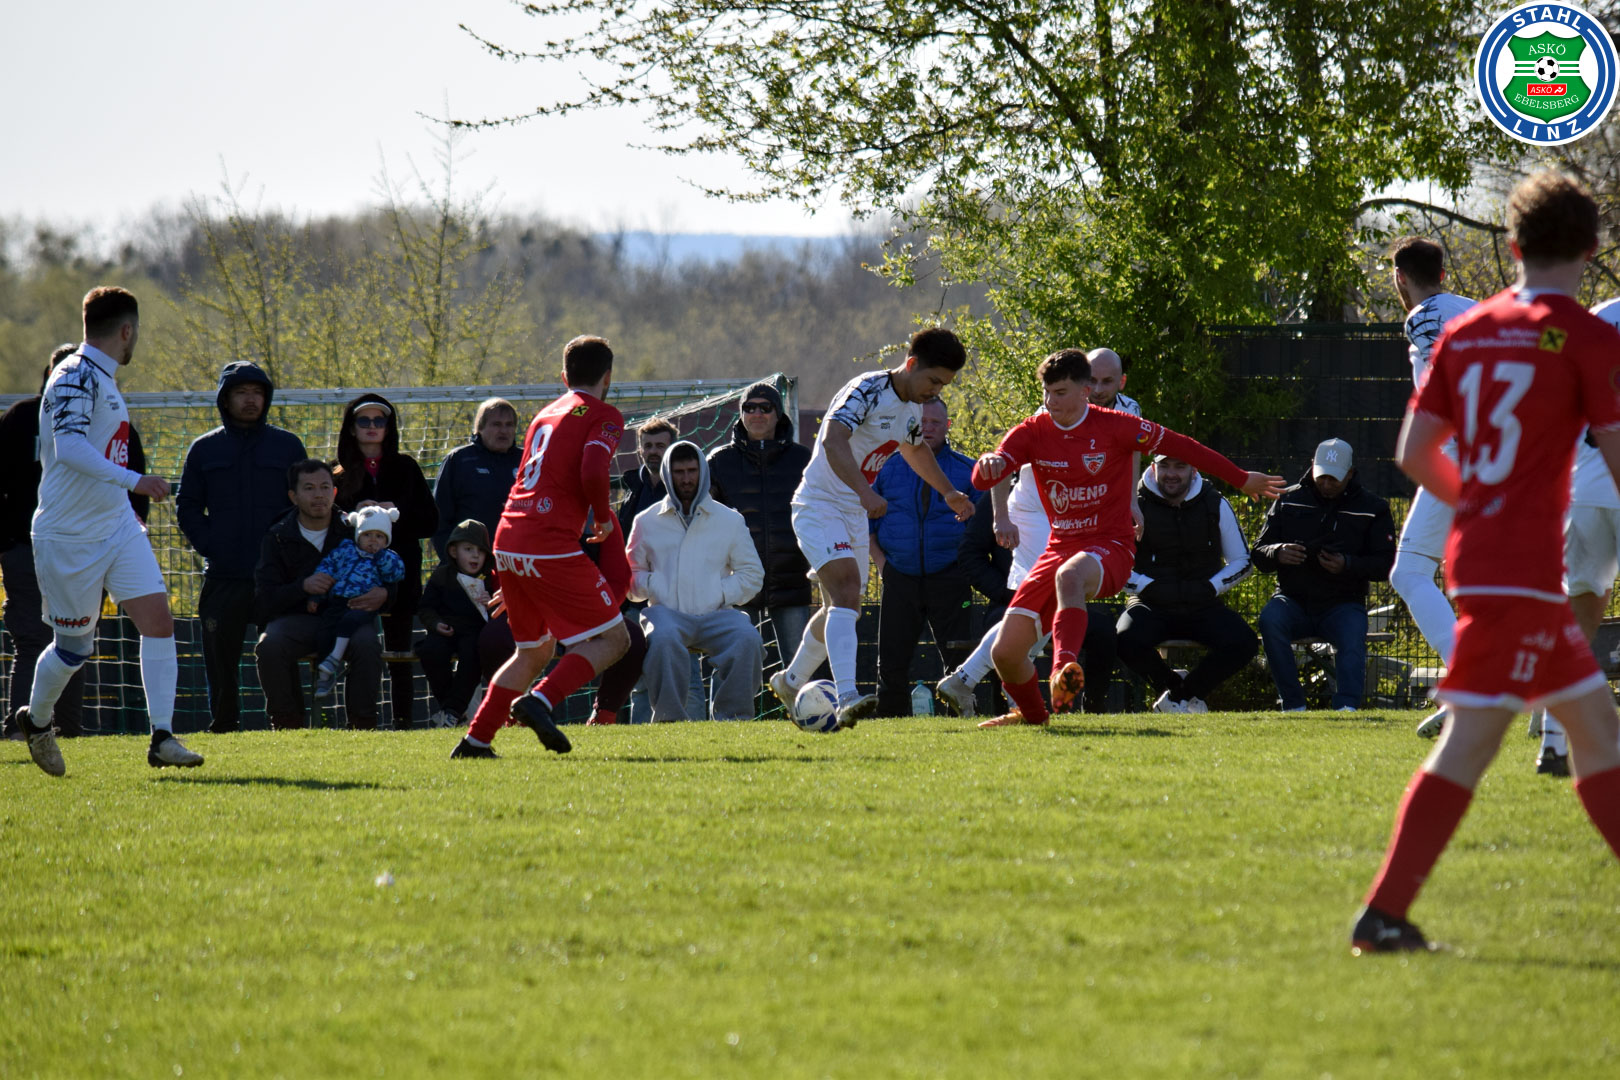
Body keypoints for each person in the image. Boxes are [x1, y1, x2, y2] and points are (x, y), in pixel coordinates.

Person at [1351, 171, 1620, 954]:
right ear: (1591, 248)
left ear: (1513, 244)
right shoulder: (1589, 338)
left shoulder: (1468, 332)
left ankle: (1384, 914)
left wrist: (1480, 503)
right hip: (1526, 573)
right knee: (1489, 742)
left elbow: (1414, 452)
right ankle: (1382, 913)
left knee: (1589, 736)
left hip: (1485, 561)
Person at [969, 348, 1281, 728]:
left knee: (1069, 576)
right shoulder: (1032, 431)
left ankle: (1063, 667)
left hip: (1111, 545)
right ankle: (1035, 718)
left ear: (1085, 391)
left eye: (1061, 392)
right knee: (1005, 653)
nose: (1051, 401)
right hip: (1058, 548)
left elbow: (1183, 446)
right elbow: (985, 478)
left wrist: (1241, 478)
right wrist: (988, 463)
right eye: (1046, 392)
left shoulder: (1118, 425)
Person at [17, 287, 202, 775]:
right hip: (68, 535)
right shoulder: (74, 375)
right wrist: (134, 480)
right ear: (126, 331)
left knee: (159, 621)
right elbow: (71, 448)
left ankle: (162, 737)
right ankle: (36, 722)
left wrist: (124, 501)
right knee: (74, 648)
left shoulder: (102, 377)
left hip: (116, 526)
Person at [769, 327, 975, 730]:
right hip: (819, 504)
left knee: (840, 606)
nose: (935, 392)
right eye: (933, 381)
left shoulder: (911, 408)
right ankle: (847, 697)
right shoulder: (865, 390)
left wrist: (949, 492)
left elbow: (914, 449)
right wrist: (865, 492)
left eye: (943, 386)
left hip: (852, 511)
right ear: (911, 364)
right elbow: (832, 441)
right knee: (847, 591)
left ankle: (790, 681)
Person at [451, 335, 632, 759]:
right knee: (615, 639)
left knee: (533, 651)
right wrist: (602, 518)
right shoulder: (603, 414)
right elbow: (593, 469)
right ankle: (541, 700)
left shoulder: (544, 414)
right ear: (608, 377)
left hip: (508, 538)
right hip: (548, 541)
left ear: (564, 377)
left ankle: (476, 742)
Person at [176, 361, 308, 733]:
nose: (250, 400)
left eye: (257, 393)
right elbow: (187, 506)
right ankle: (224, 724)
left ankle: (288, 724)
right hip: (224, 574)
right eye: (241, 392)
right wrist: (211, 545)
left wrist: (289, 554)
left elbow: (305, 501)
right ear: (225, 399)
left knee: (281, 651)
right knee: (219, 657)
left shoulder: (288, 445)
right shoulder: (204, 449)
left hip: (277, 578)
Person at [1387, 237, 1477, 739]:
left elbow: (1452, 378)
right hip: (1507, 450)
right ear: (1443, 273)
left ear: (1400, 277)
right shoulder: (1480, 309)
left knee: (1410, 571)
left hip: (1460, 453)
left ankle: (1470, 684)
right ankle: (1546, 704)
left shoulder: (1423, 316)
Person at [1251, 439, 1396, 712]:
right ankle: (1293, 705)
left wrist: (1348, 565)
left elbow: (1387, 565)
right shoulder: (1287, 500)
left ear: (1350, 473)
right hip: (1292, 600)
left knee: (1352, 633)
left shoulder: (1374, 508)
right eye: (1322, 477)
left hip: (1344, 603)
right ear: (1312, 467)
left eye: (1334, 479)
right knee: (1270, 619)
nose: (1326, 484)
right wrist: (1277, 552)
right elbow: (1258, 552)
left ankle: (1347, 708)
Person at [628, 441, 765, 720]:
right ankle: (669, 720)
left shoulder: (730, 520)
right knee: (662, 639)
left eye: (692, 471)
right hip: (666, 614)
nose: (686, 479)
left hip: (718, 614)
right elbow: (630, 575)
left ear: (703, 472)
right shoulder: (646, 521)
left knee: (748, 639)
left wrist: (719, 592)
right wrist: (657, 587)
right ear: (667, 474)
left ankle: (734, 720)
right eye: (679, 472)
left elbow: (753, 574)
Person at [1115, 454, 1257, 713]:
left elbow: (1242, 561)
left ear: (1194, 470)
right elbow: (1112, 562)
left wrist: (1212, 587)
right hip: (1150, 604)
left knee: (1244, 642)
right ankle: (1177, 690)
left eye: (1180, 466)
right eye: (1164, 466)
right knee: (1124, 639)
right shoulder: (1133, 504)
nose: (1171, 473)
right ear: (1153, 468)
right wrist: (1147, 586)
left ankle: (1181, 695)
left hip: (1203, 604)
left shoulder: (1216, 503)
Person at [254, 460, 390, 729]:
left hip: (349, 617)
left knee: (367, 644)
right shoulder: (277, 535)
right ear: (293, 496)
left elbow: (390, 570)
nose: (319, 495)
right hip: (298, 620)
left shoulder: (354, 530)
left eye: (325, 487)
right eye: (309, 488)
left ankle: (363, 726)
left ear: (335, 492)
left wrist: (385, 593)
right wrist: (302, 587)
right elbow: (264, 598)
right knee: (270, 645)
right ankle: (286, 724)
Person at [333, 393, 439, 729]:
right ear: (351, 428)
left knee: (399, 653)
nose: (372, 426)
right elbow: (328, 526)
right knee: (355, 649)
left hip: (400, 576)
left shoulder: (406, 467)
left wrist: (393, 516)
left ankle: (403, 722)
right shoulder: (336, 474)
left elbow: (430, 521)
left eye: (379, 420)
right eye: (364, 420)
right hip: (352, 580)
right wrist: (355, 517)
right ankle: (358, 722)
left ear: (389, 427)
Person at [0, 346, 89, 741]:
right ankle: (20, 729)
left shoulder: (103, 419)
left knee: (75, 639)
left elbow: (127, 480)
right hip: (25, 549)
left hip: (82, 551)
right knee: (32, 639)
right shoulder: (21, 418)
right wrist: (6, 541)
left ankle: (68, 732)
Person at [868, 398, 979, 715]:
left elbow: (982, 528)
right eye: (921, 423)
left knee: (958, 658)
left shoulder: (968, 471)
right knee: (891, 660)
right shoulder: (886, 467)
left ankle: (960, 719)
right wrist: (883, 566)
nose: (927, 428)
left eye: (935, 422)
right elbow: (866, 522)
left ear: (948, 426)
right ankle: (890, 721)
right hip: (899, 575)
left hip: (951, 576)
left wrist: (966, 568)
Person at [707, 381, 814, 668]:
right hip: (737, 582)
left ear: (778, 414)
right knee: (732, 663)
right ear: (741, 413)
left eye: (765, 408)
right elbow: (702, 518)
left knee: (801, 667)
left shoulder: (803, 459)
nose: (757, 414)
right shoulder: (719, 461)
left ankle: (804, 703)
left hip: (792, 580)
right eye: (749, 407)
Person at [416, 518, 512, 727]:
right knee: (431, 651)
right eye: (468, 549)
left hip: (474, 632)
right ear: (453, 551)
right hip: (446, 629)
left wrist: (490, 603)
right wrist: (436, 624)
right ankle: (451, 710)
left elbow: (498, 613)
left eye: (481, 551)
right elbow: (426, 608)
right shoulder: (441, 576)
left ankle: (452, 712)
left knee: (473, 655)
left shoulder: (489, 579)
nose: (475, 555)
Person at [309, 506, 405, 697]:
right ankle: (324, 677)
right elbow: (326, 568)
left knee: (350, 621)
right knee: (325, 632)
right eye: (367, 534)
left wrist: (380, 556)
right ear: (358, 536)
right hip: (338, 602)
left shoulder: (388, 557)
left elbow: (396, 574)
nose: (373, 540)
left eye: (379, 536)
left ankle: (334, 658)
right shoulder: (345, 551)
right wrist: (316, 596)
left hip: (364, 604)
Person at [429, 397, 521, 559]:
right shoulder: (459, 460)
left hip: (518, 558)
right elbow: (439, 519)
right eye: (496, 424)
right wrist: (451, 561)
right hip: (472, 561)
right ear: (480, 428)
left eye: (509, 425)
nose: (504, 431)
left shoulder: (527, 461)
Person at [618, 417, 678, 538]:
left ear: (672, 450)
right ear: (640, 451)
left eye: (660, 446)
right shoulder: (634, 489)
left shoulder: (683, 489)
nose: (653, 451)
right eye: (648, 446)